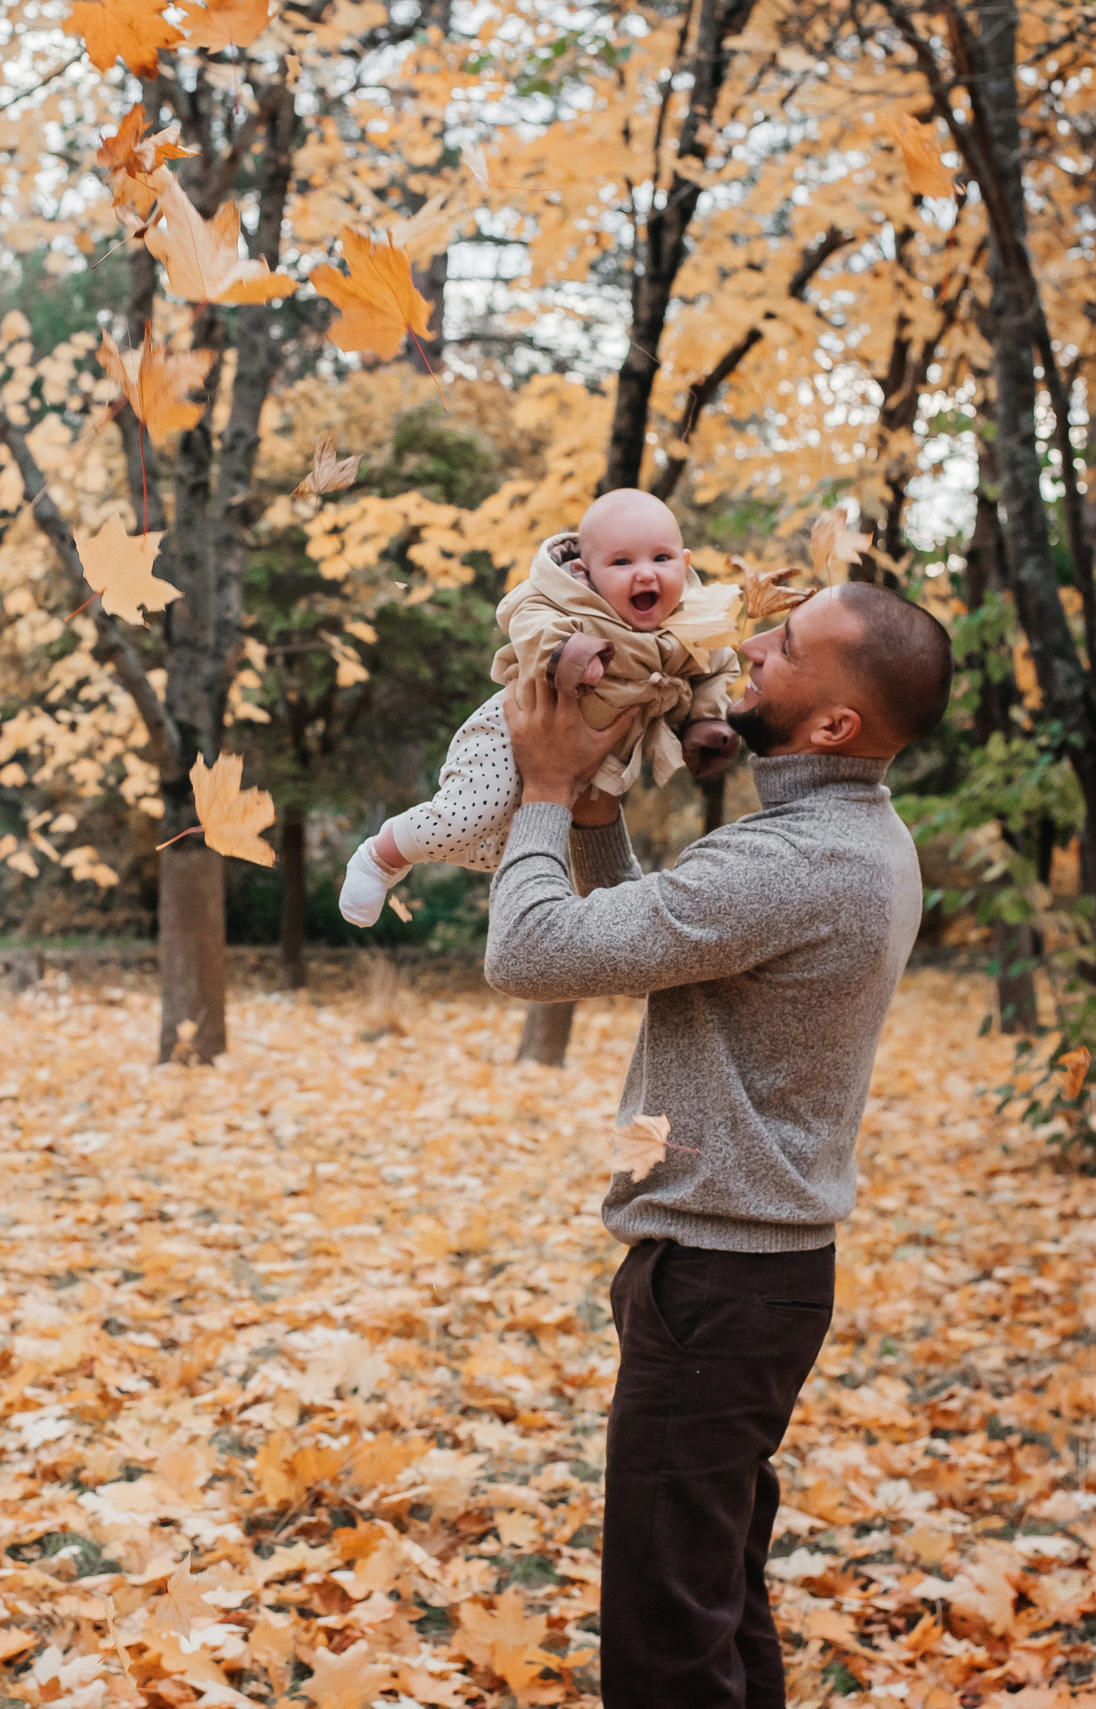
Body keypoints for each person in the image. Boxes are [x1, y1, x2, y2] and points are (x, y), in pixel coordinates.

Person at [483, 582, 953, 1709]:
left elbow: (531, 951)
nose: (746, 644)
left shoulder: (796, 860)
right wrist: (595, 814)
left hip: (722, 1284)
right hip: (746, 1275)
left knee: (664, 1640)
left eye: (784, 645)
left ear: (834, 723)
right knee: (712, 1596)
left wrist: (543, 790)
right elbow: (646, 941)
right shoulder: (832, 836)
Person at [338, 489, 745, 926]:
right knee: (468, 818)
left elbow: (716, 668)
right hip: (514, 732)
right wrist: (564, 651)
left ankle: (427, 846)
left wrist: (705, 720)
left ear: (684, 564)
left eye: (661, 559)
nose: (645, 574)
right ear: (583, 572)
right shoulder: (571, 601)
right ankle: (380, 856)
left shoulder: (694, 625)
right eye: (622, 563)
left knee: (511, 850)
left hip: (590, 762)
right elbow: (524, 617)